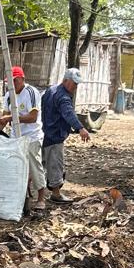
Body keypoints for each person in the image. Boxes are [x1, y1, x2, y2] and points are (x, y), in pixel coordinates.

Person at [0, 66, 46, 211]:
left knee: (34, 167)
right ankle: (22, 196)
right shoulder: (8, 95)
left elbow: (33, 117)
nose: (13, 84)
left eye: (15, 81)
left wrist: (11, 118)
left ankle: (41, 198)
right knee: (16, 167)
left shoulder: (31, 92)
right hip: (15, 137)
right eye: (10, 81)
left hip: (32, 136)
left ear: (22, 79)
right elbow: (3, 118)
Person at [40, 66, 90, 204]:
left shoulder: (51, 90)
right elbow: (69, 113)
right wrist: (80, 128)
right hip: (55, 135)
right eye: (74, 83)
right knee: (55, 165)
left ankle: (30, 193)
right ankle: (56, 194)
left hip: (43, 132)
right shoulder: (63, 97)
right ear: (66, 81)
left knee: (40, 164)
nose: (76, 87)